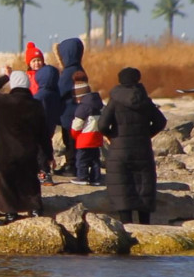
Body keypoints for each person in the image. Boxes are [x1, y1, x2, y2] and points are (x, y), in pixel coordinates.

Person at [0, 66, 55, 220]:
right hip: (28, 153)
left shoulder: (3, 102)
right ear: (28, 85)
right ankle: (35, 209)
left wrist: (6, 76)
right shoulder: (36, 105)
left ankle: (10, 213)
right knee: (30, 182)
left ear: (13, 85)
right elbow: (44, 134)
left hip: (5, 154)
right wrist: (48, 155)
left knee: (5, 181)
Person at [97, 67, 166, 224]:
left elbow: (101, 125)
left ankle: (127, 226)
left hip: (119, 150)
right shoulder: (144, 99)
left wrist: (111, 136)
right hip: (142, 149)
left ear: (120, 80)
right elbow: (161, 122)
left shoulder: (114, 100)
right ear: (137, 79)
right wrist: (146, 134)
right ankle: (145, 225)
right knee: (144, 185)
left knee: (122, 186)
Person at [56, 38, 87, 176]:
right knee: (76, 143)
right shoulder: (79, 69)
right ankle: (76, 165)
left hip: (69, 115)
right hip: (79, 113)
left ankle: (71, 166)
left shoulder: (69, 72)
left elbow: (60, 90)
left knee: (69, 142)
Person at [32, 53, 62, 186]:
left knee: (39, 151)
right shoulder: (56, 93)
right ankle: (45, 171)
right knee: (46, 147)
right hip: (51, 125)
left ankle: (43, 173)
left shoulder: (39, 95)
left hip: (39, 127)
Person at [70, 75, 104, 186]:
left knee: (81, 160)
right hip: (97, 137)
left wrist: (74, 134)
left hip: (84, 139)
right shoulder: (99, 105)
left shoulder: (82, 107)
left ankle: (82, 177)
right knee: (95, 160)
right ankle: (96, 179)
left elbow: (77, 125)